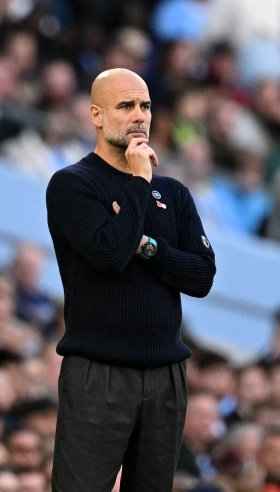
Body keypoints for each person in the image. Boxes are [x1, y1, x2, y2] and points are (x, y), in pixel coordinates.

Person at [45, 68, 216, 491]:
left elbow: (202, 275)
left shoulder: (173, 193)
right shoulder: (72, 185)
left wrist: (148, 247)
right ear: (97, 116)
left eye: (146, 106)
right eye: (126, 106)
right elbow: (108, 253)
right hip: (99, 373)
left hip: (166, 374)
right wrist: (139, 181)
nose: (139, 116)